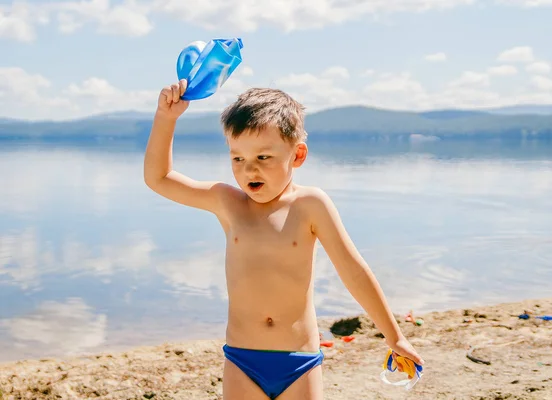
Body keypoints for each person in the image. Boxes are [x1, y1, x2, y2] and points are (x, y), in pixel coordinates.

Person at [143, 79, 424, 399]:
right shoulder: (228, 203)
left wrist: (395, 336)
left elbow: (353, 271)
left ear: (298, 154)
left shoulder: (310, 205)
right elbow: (159, 178)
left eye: (263, 158)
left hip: (299, 361)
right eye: (237, 158)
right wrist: (166, 118)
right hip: (242, 360)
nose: (249, 170)